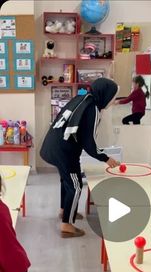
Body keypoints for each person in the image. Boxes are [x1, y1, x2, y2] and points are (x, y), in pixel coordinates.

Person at [40, 78, 120, 238]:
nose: (112, 101)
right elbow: (89, 143)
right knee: (75, 186)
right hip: (63, 151)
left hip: (53, 145)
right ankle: (66, 225)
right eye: (112, 97)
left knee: (67, 181)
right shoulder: (94, 109)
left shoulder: (81, 98)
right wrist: (105, 158)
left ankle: (65, 211)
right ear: (105, 95)